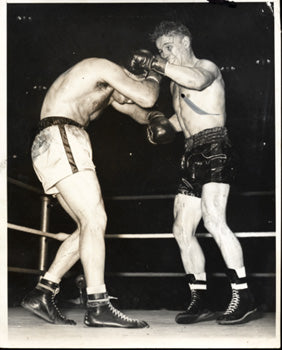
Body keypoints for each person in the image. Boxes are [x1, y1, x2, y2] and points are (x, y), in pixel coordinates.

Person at [21, 56, 172, 328]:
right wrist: (155, 74)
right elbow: (147, 97)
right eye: (129, 88)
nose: (128, 99)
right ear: (128, 75)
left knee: (87, 227)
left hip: (56, 140)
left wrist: (156, 119)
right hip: (62, 135)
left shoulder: (107, 91)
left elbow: (141, 111)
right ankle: (98, 305)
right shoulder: (102, 67)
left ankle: (43, 292)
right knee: (95, 220)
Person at [127, 20, 259, 325]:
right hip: (190, 153)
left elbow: (198, 84)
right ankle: (201, 299)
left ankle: (244, 296)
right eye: (160, 50)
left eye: (169, 47)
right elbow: (184, 115)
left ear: (186, 41)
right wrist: (161, 127)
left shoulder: (206, 67)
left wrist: (155, 63)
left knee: (214, 220)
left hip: (215, 148)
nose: (165, 54)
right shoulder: (174, 82)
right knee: (181, 229)